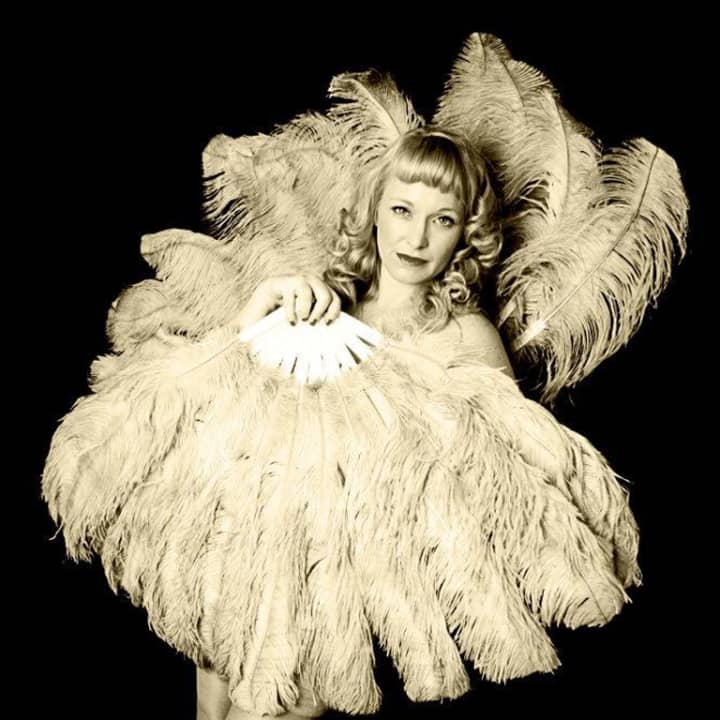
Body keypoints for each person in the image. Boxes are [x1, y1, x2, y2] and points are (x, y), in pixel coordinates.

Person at [43, 124, 640, 720]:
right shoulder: (328, 303)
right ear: (375, 210)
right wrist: (264, 305)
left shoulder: (465, 335)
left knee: (274, 707)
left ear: (467, 232)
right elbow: (230, 407)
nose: (416, 237)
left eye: (442, 219)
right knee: (211, 704)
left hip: (333, 589)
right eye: (402, 210)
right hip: (247, 557)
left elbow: (503, 478)